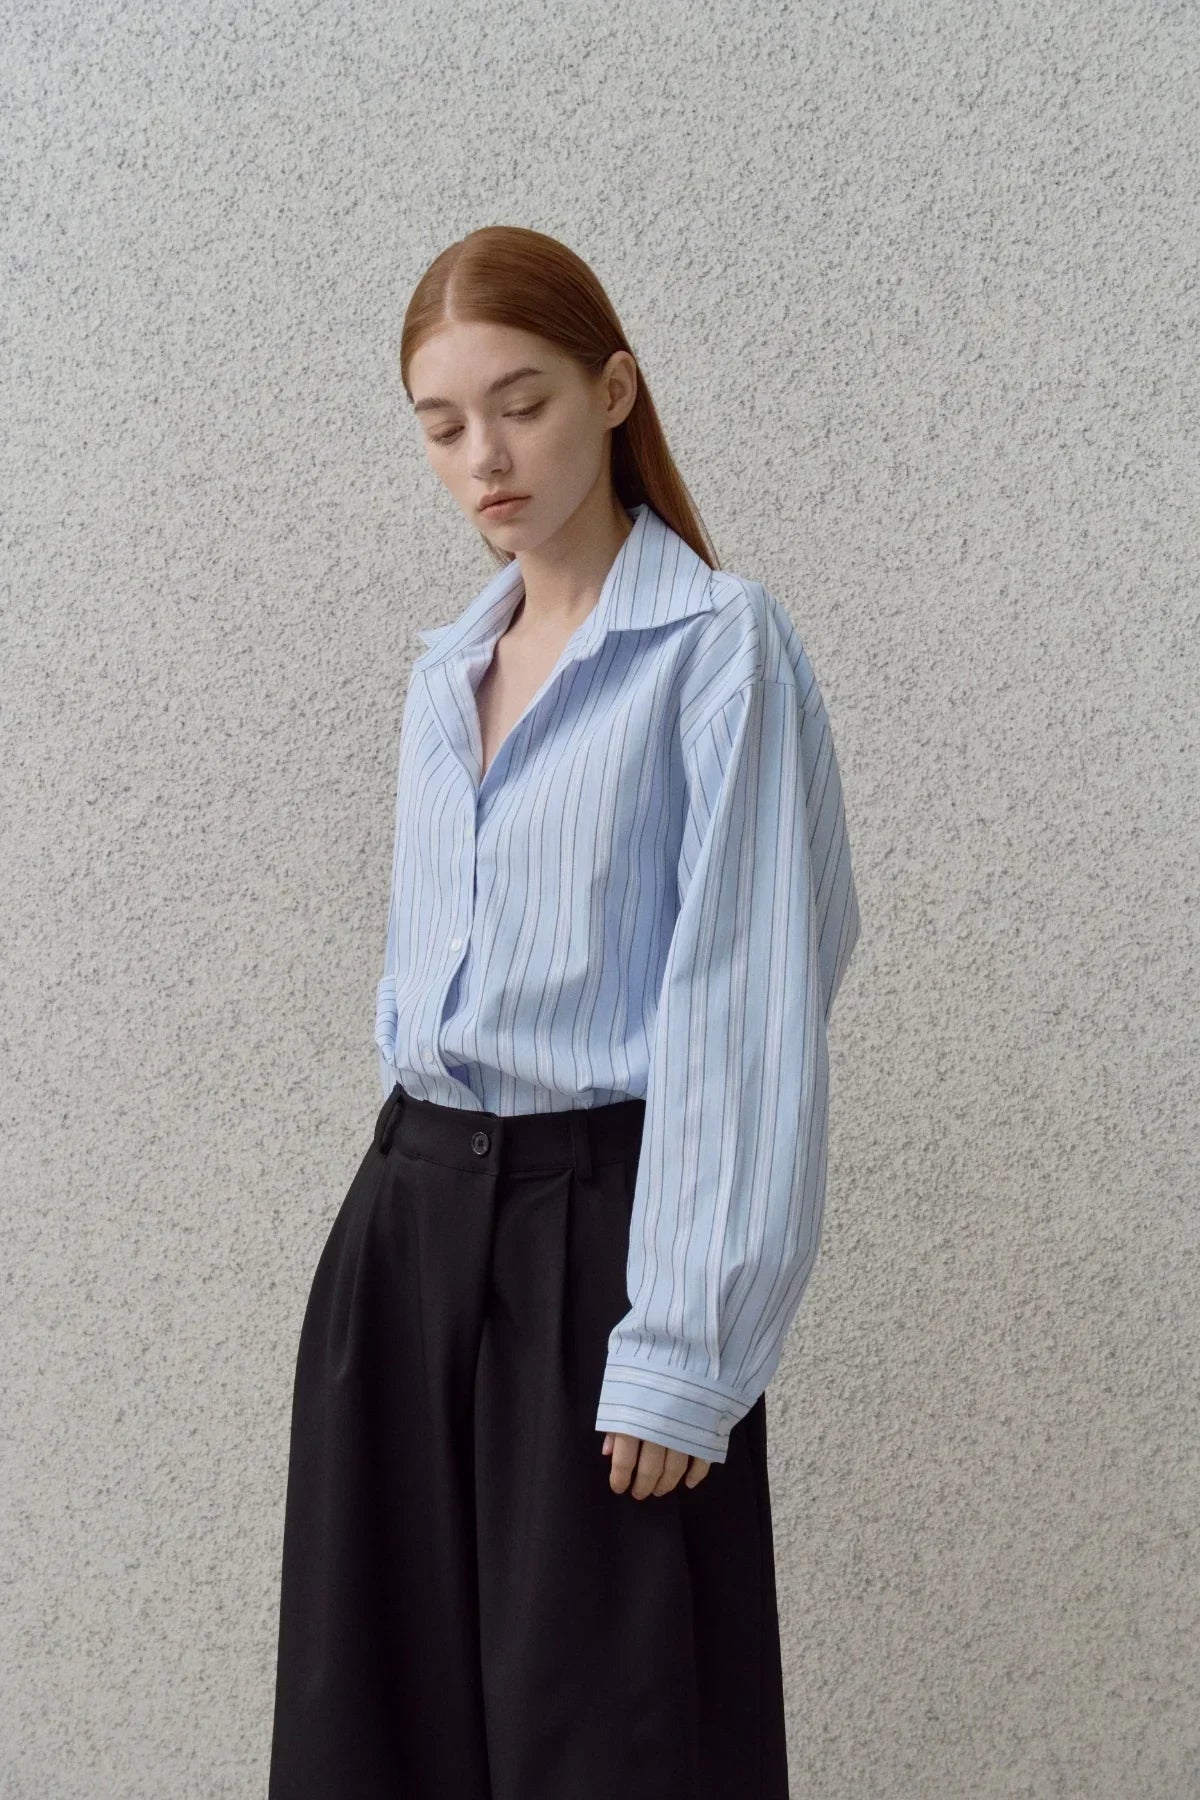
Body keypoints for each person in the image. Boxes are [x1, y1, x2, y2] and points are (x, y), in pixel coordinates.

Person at [268, 224, 861, 1800]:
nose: (485, 457)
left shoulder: (718, 653)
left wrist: (686, 1348)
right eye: (442, 425)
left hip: (598, 1249)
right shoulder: (445, 675)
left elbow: (748, 1002)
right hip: (403, 1231)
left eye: (520, 404)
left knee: (609, 1736)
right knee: (374, 1734)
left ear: (612, 391)